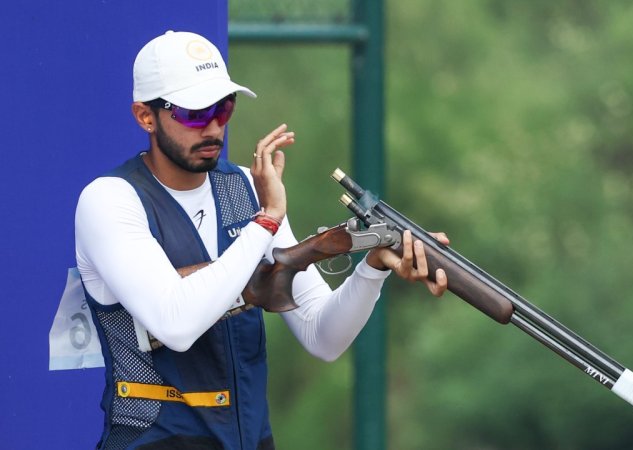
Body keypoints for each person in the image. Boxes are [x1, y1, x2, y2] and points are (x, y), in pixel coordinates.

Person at [74, 30, 448, 450]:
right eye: (195, 113)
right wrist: (267, 222)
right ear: (146, 116)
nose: (214, 125)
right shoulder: (109, 199)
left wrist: (373, 267)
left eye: (224, 107)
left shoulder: (244, 190)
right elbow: (175, 324)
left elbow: (322, 336)